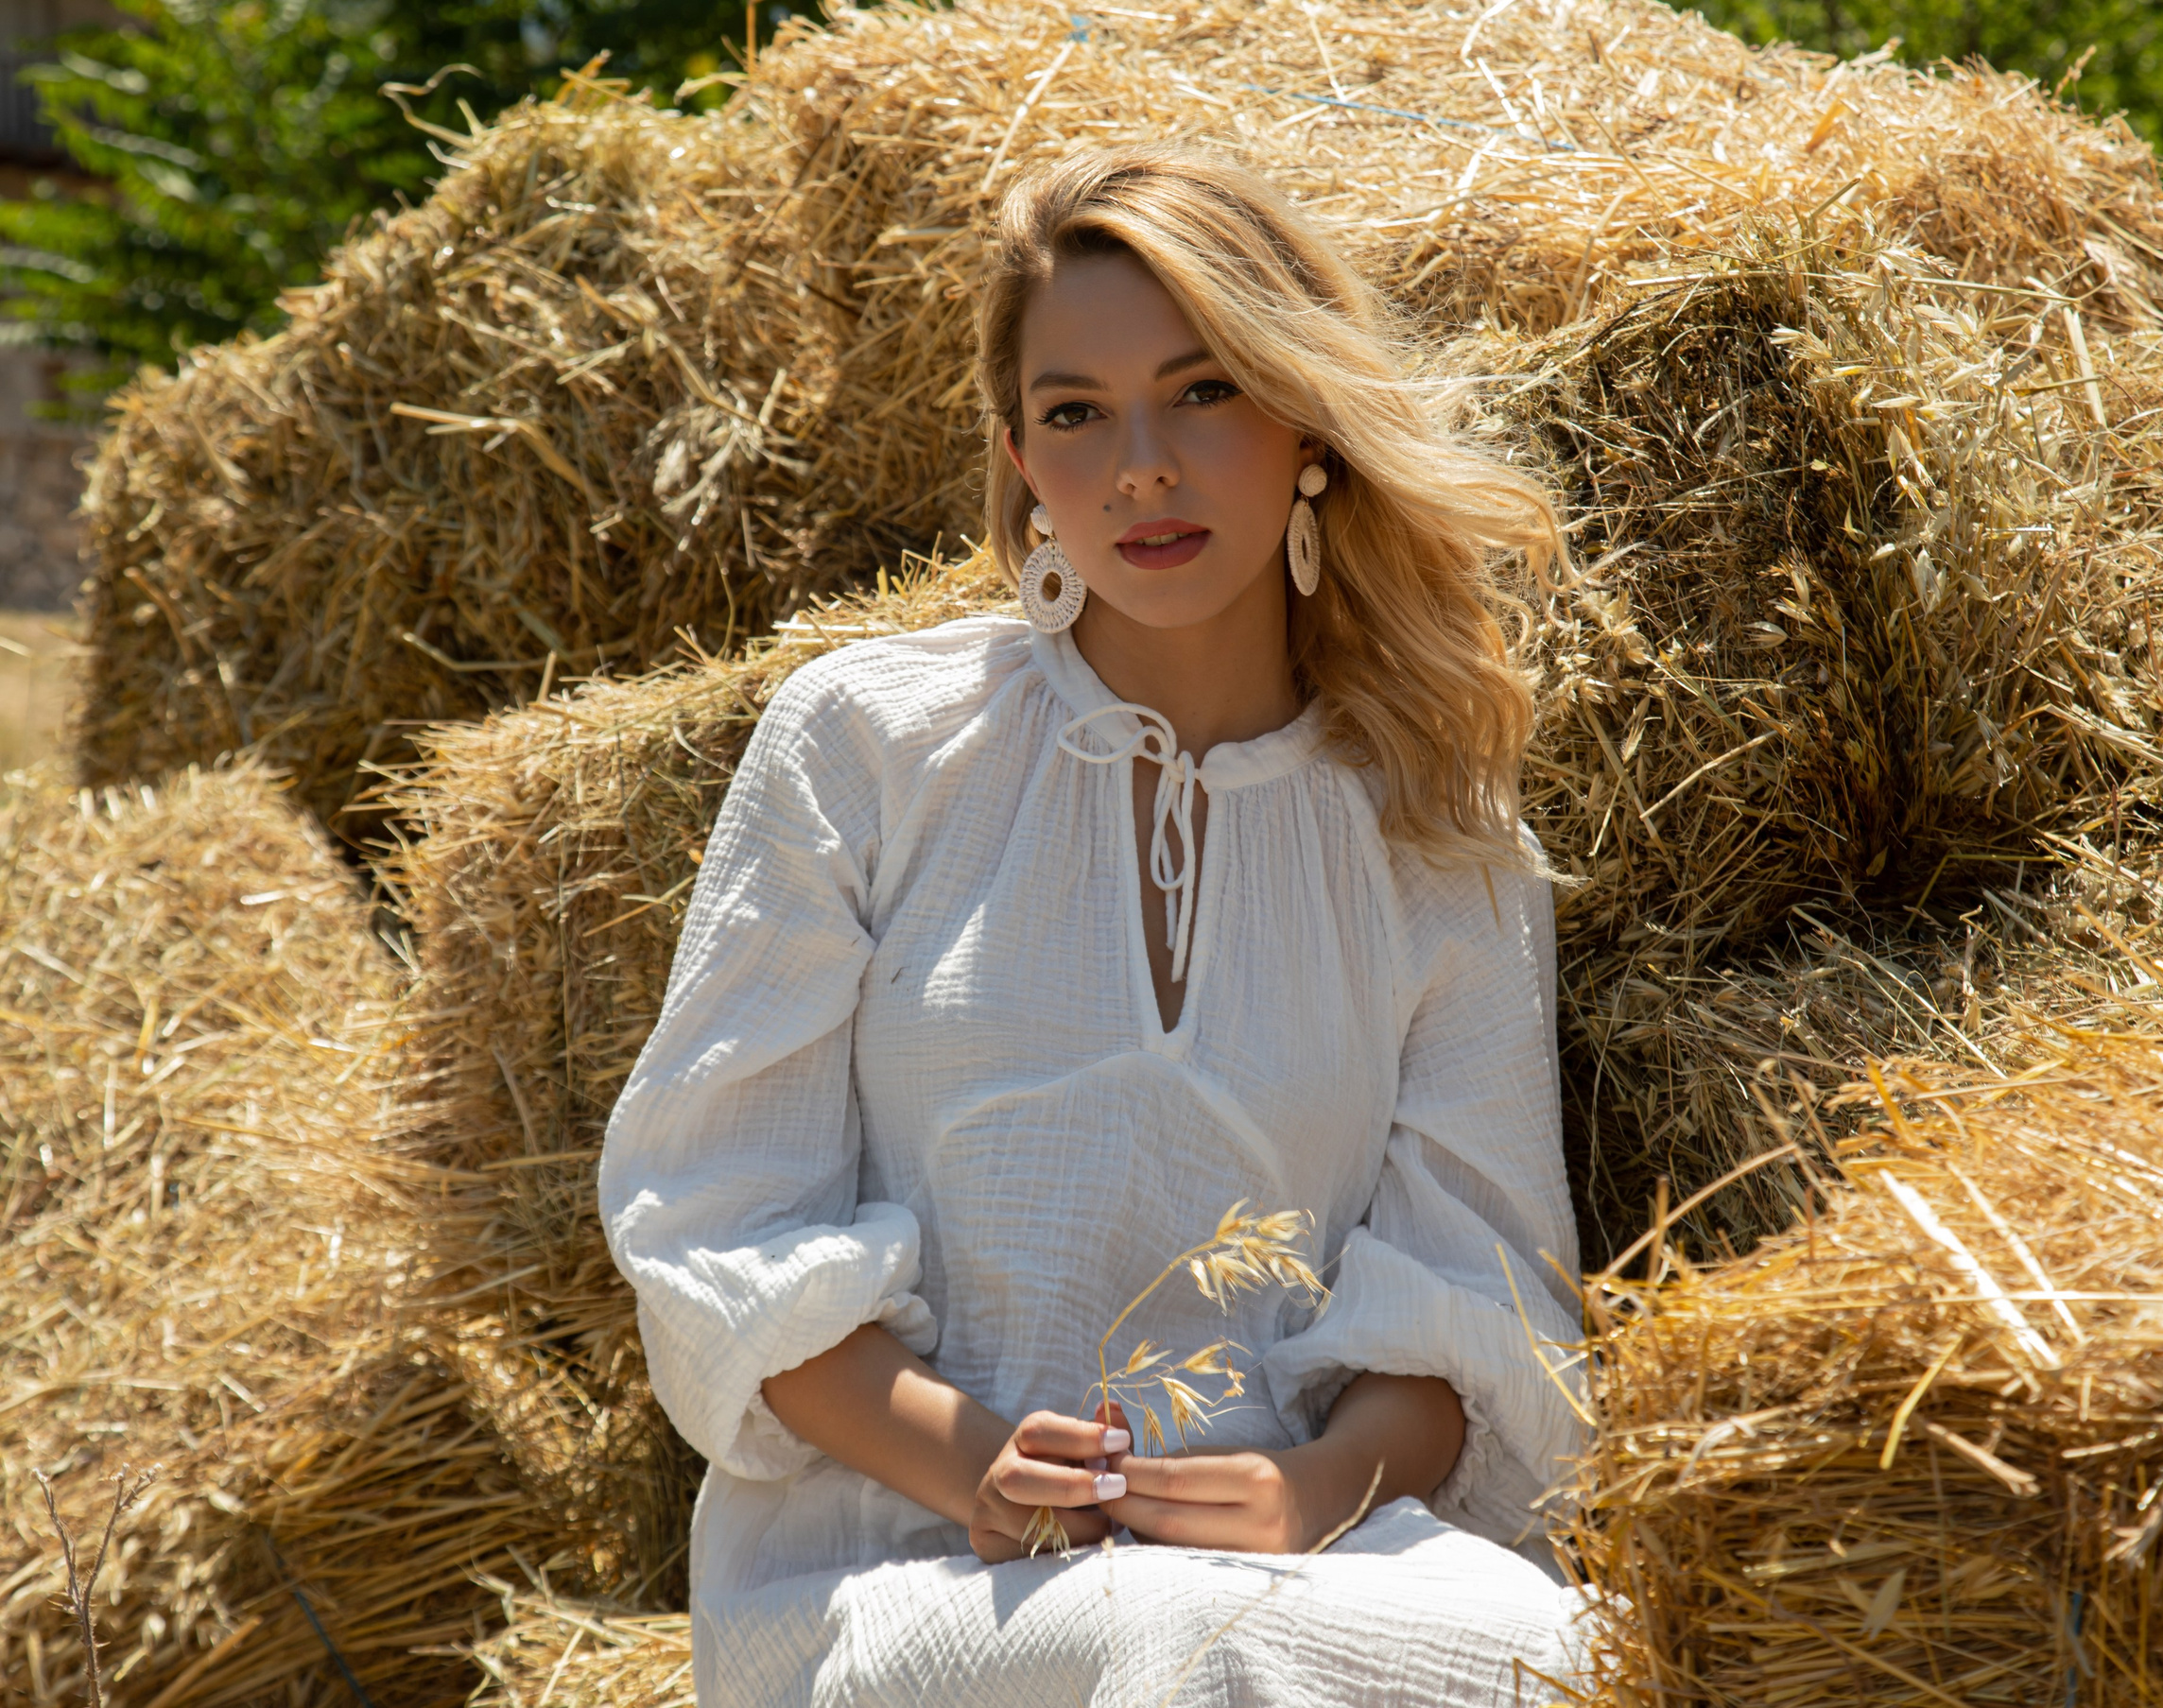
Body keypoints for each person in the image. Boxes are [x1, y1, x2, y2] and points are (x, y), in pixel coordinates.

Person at [597, 141, 1590, 1708]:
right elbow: (717, 1220)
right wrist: (977, 1461)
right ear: (1020, 458)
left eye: (1203, 393)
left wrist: (1315, 1491)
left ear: (1307, 424)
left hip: (1308, 1559)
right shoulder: (866, 746)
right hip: (900, 1558)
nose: (1141, 465)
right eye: (1076, 414)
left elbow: (1474, 1310)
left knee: (1548, 1657)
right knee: (1190, 1657)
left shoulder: (1444, 852)